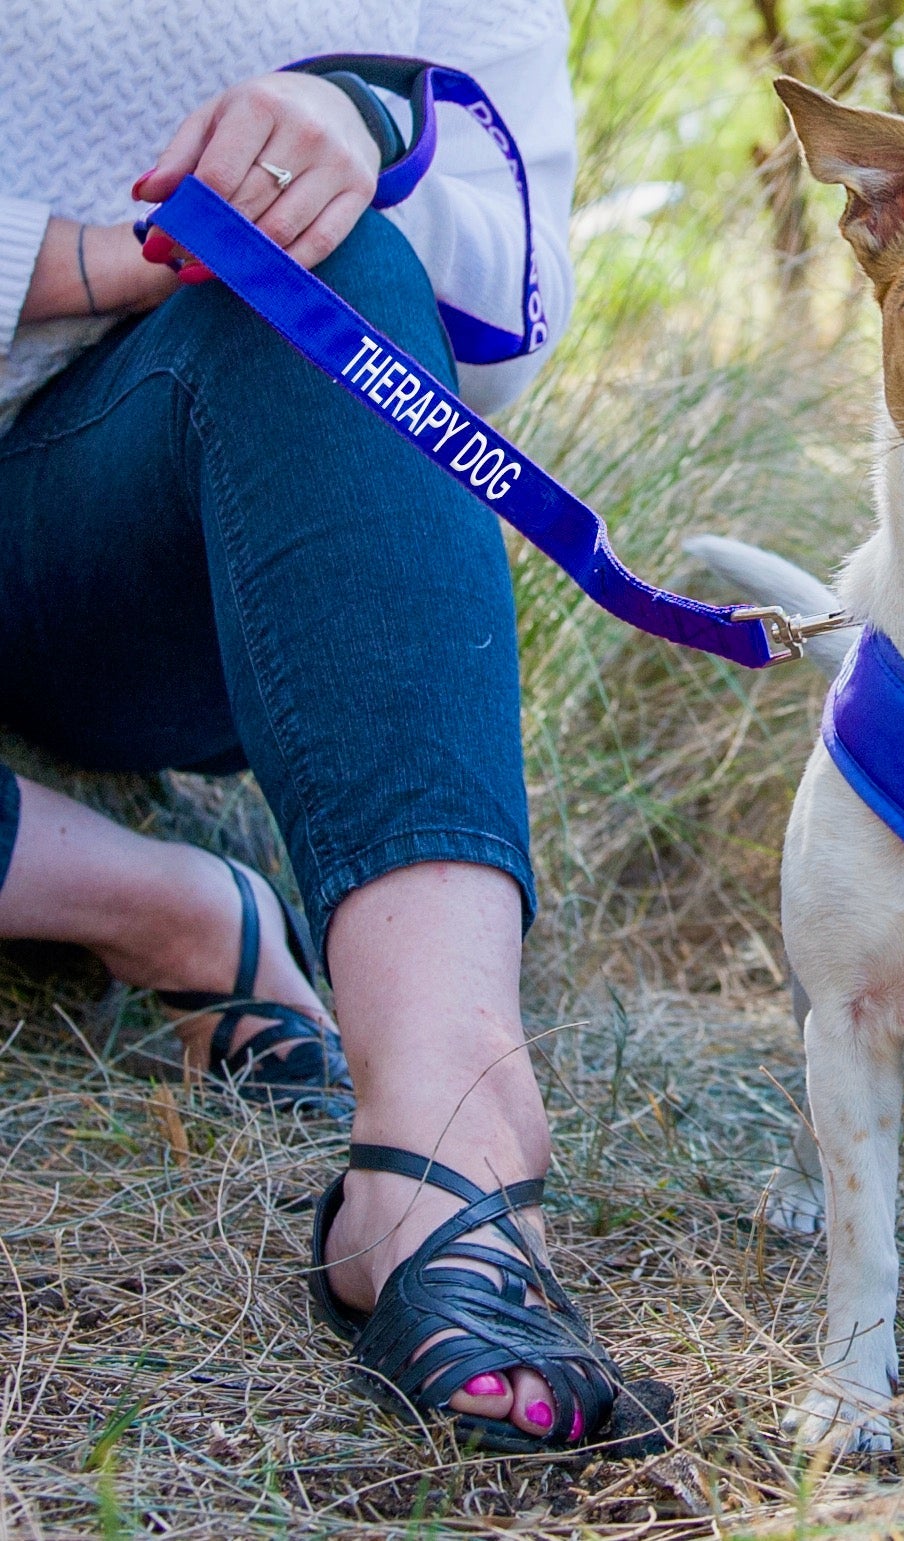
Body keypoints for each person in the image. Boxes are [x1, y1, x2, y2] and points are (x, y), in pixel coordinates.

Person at [0, 0, 649, 1454]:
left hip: (100, 516)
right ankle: (155, 905)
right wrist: (111, 260)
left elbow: (502, 322)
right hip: (70, 330)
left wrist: (371, 128)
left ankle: (444, 1152)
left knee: (330, 264)